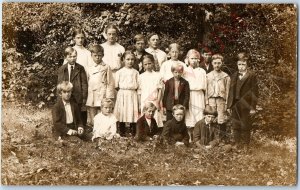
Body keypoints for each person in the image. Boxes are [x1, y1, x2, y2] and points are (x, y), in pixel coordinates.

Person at [227, 52, 258, 146]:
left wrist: (253, 107)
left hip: (246, 104)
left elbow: (255, 92)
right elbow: (231, 91)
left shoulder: (252, 75)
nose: (241, 66)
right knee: (236, 125)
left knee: (245, 124)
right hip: (235, 104)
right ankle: (237, 143)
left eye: (243, 64)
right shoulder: (234, 75)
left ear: (247, 65)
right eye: (239, 64)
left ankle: (246, 145)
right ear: (237, 65)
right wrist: (229, 105)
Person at [57, 47, 88, 126]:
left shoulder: (80, 68)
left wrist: (84, 98)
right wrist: (59, 98)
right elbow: (59, 84)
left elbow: (84, 84)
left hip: (78, 95)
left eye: (74, 56)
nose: (72, 59)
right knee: (68, 112)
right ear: (66, 57)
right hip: (66, 94)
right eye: (70, 57)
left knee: (79, 113)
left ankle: (81, 129)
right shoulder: (62, 69)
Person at [85, 44, 115, 127]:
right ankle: (94, 127)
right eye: (95, 56)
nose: (97, 58)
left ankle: (103, 128)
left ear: (103, 55)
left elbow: (110, 82)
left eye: (99, 55)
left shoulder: (106, 67)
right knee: (92, 109)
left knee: (102, 110)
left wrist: (108, 96)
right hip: (91, 92)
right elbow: (86, 81)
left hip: (102, 92)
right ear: (91, 55)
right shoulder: (88, 67)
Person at [205, 54, 231, 141]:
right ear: (212, 63)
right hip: (211, 99)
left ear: (222, 63)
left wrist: (227, 103)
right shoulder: (208, 76)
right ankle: (211, 138)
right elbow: (206, 90)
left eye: (219, 63)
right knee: (211, 118)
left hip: (221, 100)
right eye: (215, 63)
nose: (217, 65)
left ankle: (222, 139)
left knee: (221, 119)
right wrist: (207, 102)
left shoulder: (225, 76)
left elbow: (228, 91)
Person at [114, 51, 139, 137]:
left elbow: (138, 84)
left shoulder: (136, 72)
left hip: (132, 93)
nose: (130, 61)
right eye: (128, 59)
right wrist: (122, 92)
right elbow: (116, 85)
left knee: (132, 110)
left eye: (132, 59)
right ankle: (122, 130)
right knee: (122, 111)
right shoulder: (119, 72)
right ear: (123, 60)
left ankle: (133, 130)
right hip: (122, 93)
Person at [183, 49, 206, 143]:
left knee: (199, 115)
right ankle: (189, 137)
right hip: (189, 95)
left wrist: (206, 100)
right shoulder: (185, 70)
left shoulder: (202, 71)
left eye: (196, 58)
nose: (194, 60)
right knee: (190, 115)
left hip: (199, 95)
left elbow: (205, 87)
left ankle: (199, 138)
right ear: (188, 59)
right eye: (192, 58)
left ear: (199, 60)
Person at [138, 54, 164, 129]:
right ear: (143, 65)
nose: (148, 66)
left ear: (153, 63)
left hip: (154, 100)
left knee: (155, 115)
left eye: (149, 63)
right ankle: (146, 131)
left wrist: (158, 102)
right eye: (145, 64)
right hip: (144, 100)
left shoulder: (158, 75)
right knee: (145, 115)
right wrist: (140, 103)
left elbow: (160, 90)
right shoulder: (141, 76)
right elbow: (139, 91)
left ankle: (155, 131)